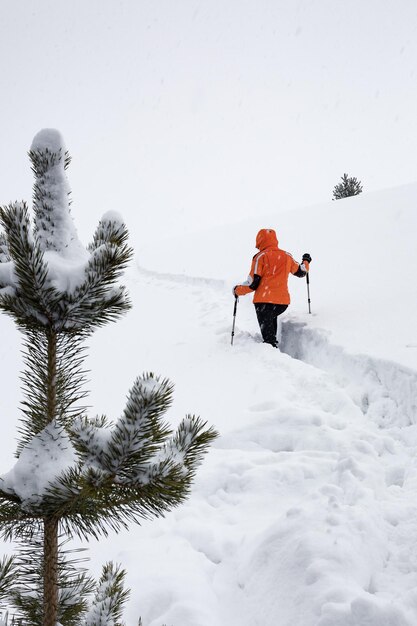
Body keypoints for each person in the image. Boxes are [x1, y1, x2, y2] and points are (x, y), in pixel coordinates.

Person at [233, 228, 311, 348]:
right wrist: (306, 261)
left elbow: (253, 284)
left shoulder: (260, 257)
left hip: (263, 303)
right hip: (281, 303)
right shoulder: (286, 256)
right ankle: (273, 347)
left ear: (260, 242)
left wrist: (237, 290)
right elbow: (301, 272)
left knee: (268, 339)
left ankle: (272, 355)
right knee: (270, 323)